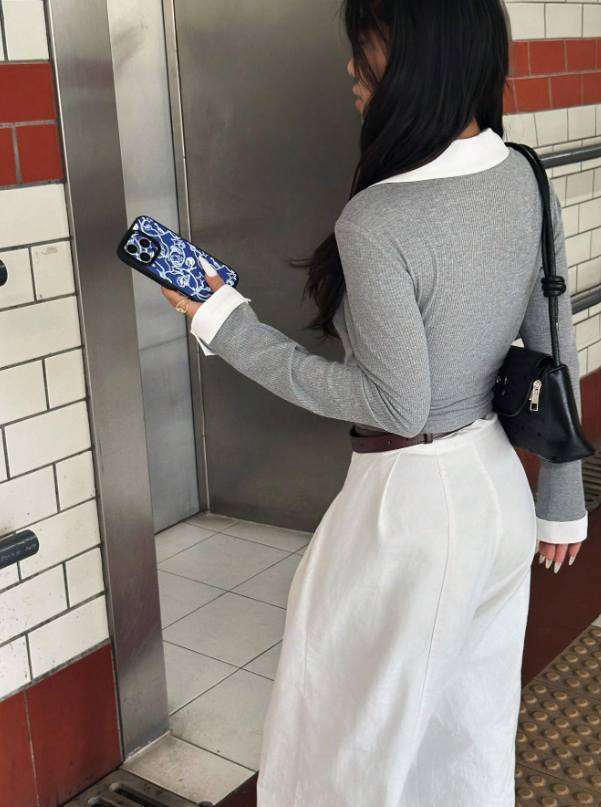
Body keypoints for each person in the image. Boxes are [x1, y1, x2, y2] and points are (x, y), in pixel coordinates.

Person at [161, 0, 588, 803]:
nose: (350, 69)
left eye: (365, 47)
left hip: (410, 510)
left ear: (422, 57)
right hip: (496, 486)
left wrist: (225, 322)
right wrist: (560, 499)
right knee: (466, 736)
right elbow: (553, 343)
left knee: (344, 745)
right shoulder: (522, 174)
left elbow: (395, 404)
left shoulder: (379, 217)